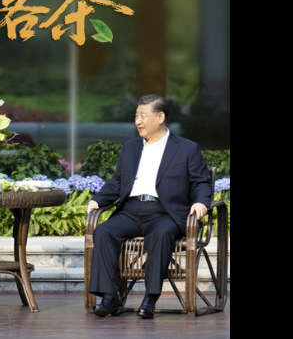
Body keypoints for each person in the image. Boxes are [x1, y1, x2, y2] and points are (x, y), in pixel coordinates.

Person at [87, 94, 212, 319]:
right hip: (131, 210)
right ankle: (110, 296)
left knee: (161, 234)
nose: (138, 121)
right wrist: (98, 200)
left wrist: (201, 202)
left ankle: (150, 298)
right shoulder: (130, 147)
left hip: (165, 213)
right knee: (104, 231)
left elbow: (201, 182)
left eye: (143, 116)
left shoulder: (187, 148)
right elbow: (117, 182)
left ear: (160, 117)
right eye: (136, 116)